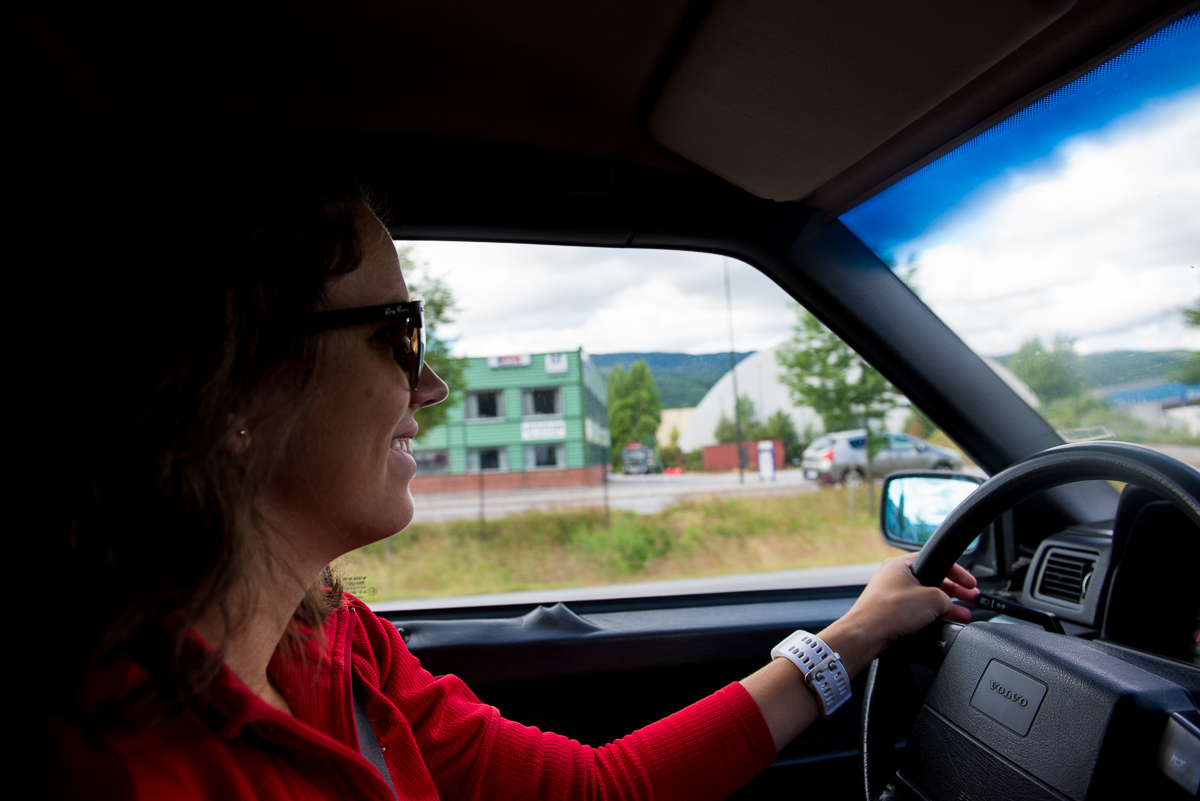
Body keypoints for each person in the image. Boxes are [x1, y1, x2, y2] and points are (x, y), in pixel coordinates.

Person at [37, 151, 978, 800]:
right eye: (398, 333)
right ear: (232, 387)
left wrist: (855, 634)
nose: (433, 385)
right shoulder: (117, 768)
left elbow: (596, 789)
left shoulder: (333, 646)